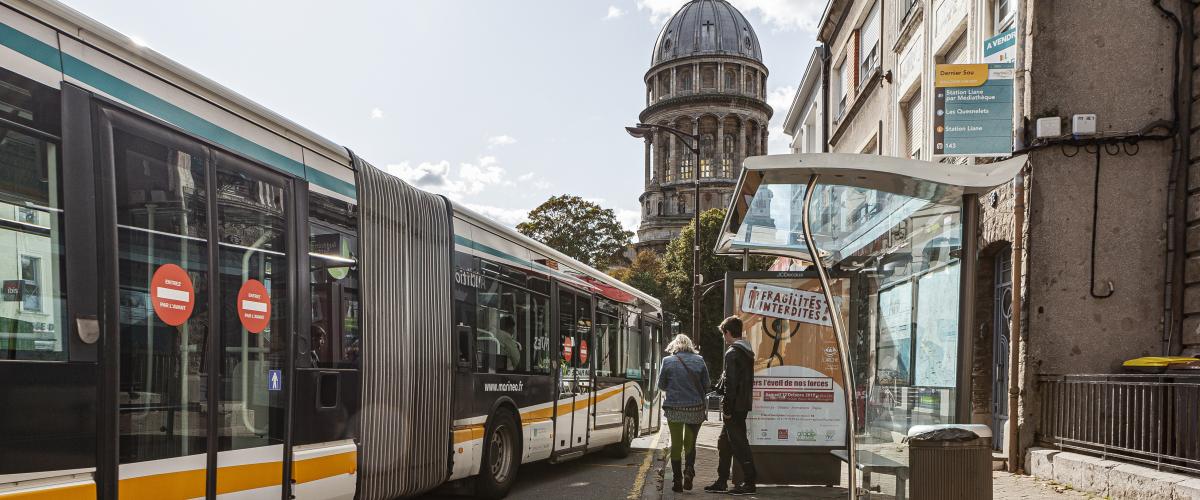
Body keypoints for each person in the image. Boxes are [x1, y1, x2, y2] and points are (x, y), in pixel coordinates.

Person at [705, 316, 757, 495]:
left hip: (733, 407)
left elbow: (730, 382)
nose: (724, 338)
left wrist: (726, 408)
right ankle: (721, 481)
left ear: (727, 332)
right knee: (724, 443)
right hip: (742, 404)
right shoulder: (746, 351)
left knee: (739, 443)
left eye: (723, 334)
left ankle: (750, 482)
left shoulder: (732, 352)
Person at [657, 334, 710, 492]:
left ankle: (677, 481)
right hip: (695, 408)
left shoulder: (667, 361)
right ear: (690, 346)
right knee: (690, 443)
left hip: (674, 409)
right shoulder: (699, 360)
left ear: (675, 345)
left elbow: (661, 385)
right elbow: (706, 385)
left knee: (676, 443)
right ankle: (689, 471)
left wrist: (674, 389)